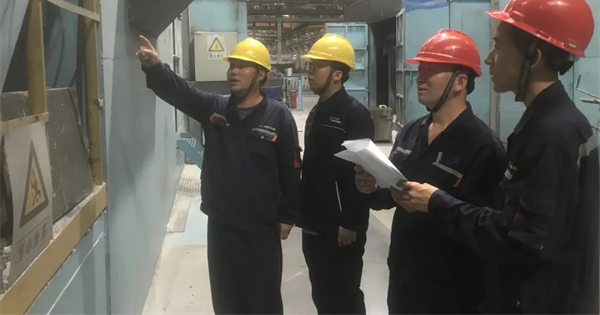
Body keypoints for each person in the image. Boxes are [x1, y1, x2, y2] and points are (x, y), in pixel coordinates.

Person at [403, 0, 600, 315]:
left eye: (498, 46)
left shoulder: (553, 132)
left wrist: (437, 203)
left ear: (533, 57)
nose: (489, 59)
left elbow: (520, 239)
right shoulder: (548, 123)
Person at [136, 35, 301, 315]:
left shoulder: (278, 116)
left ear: (261, 75)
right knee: (226, 301)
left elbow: (291, 168)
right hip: (222, 226)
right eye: (232, 65)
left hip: (260, 229)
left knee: (263, 301)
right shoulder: (215, 109)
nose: (233, 71)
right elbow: (182, 93)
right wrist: (155, 67)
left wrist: (287, 215)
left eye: (242, 66)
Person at [355, 29, 508, 315]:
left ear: (460, 82)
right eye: (421, 69)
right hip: (404, 277)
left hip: (452, 290)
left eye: (432, 70)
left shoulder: (484, 146)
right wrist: (373, 189)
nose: (420, 78)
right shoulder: (411, 132)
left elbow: (490, 229)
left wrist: (435, 203)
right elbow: (391, 196)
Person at [297, 33, 375, 315]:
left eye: (317, 66)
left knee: (344, 296)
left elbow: (364, 172)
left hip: (341, 226)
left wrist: (351, 222)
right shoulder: (316, 112)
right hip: (314, 221)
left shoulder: (354, 114)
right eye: (310, 65)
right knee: (321, 292)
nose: (310, 72)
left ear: (337, 74)